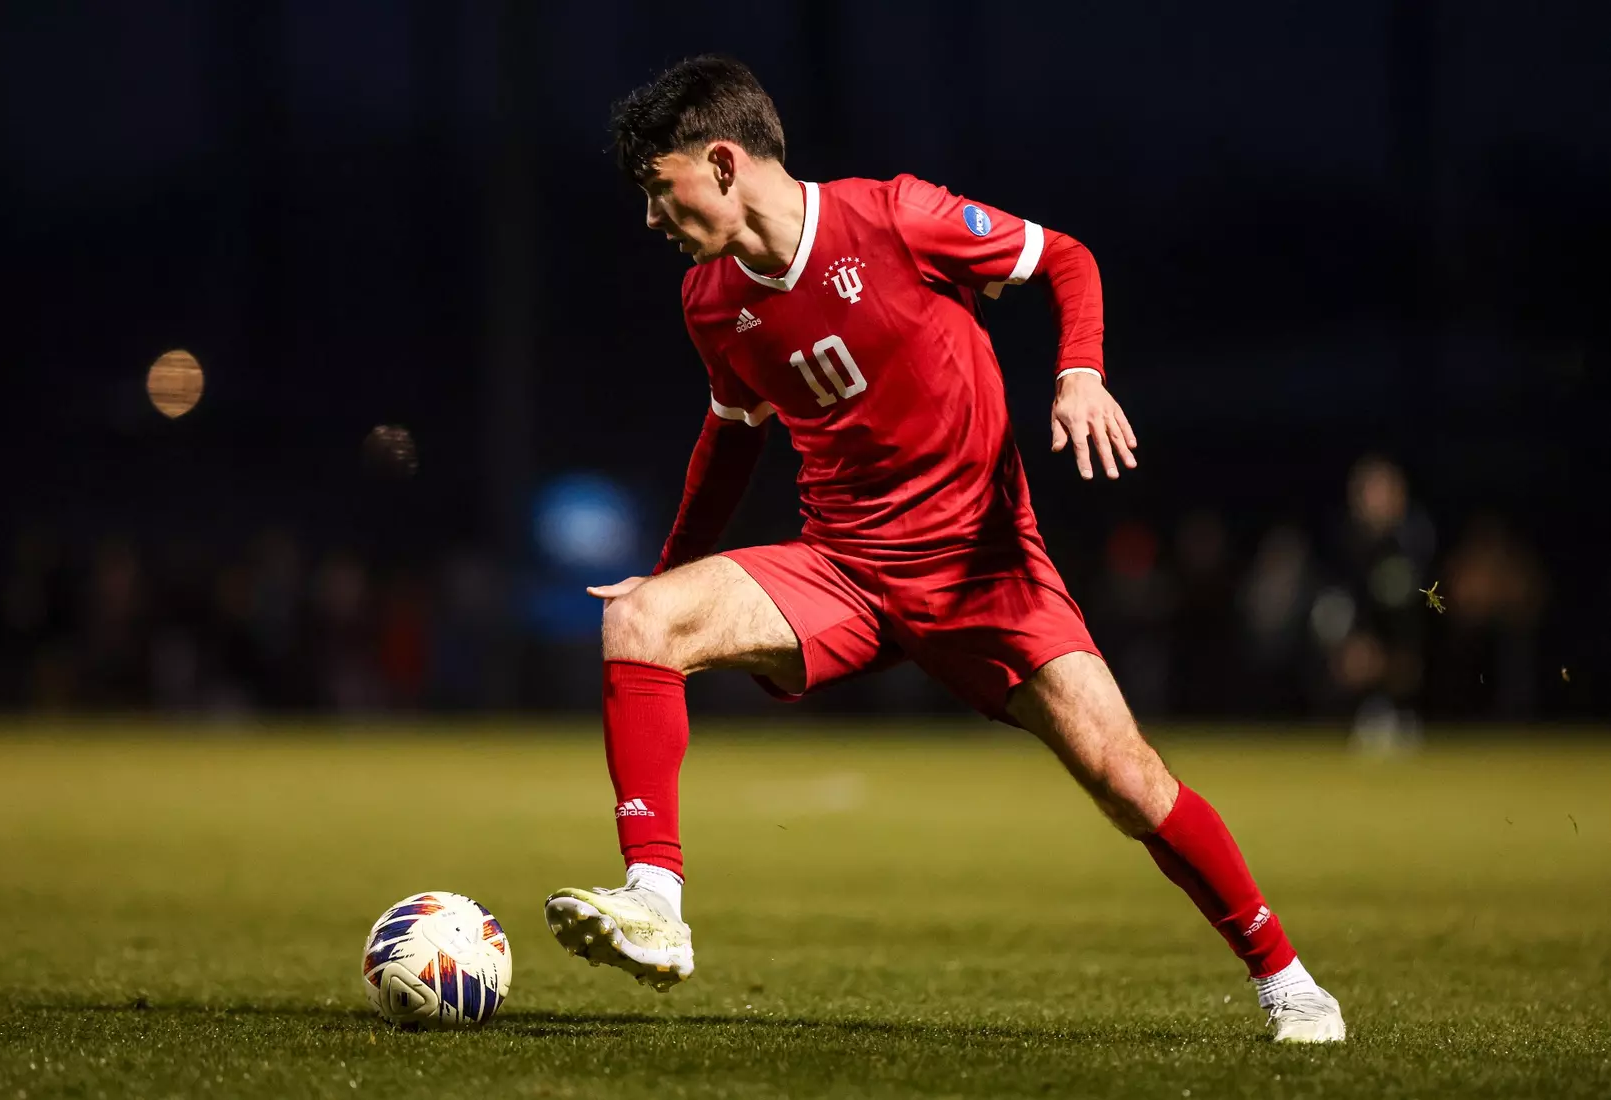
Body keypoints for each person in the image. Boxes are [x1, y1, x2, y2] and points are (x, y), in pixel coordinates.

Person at [544, 55, 1344, 1043]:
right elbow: (733, 433)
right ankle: (655, 902)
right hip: (842, 569)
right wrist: (671, 569)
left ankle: (1288, 980)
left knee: (1128, 779)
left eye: (658, 189)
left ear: (720, 162)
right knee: (641, 619)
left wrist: (1080, 374)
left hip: (984, 571)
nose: (651, 219)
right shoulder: (709, 300)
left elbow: (1066, 258)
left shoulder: (894, 217)